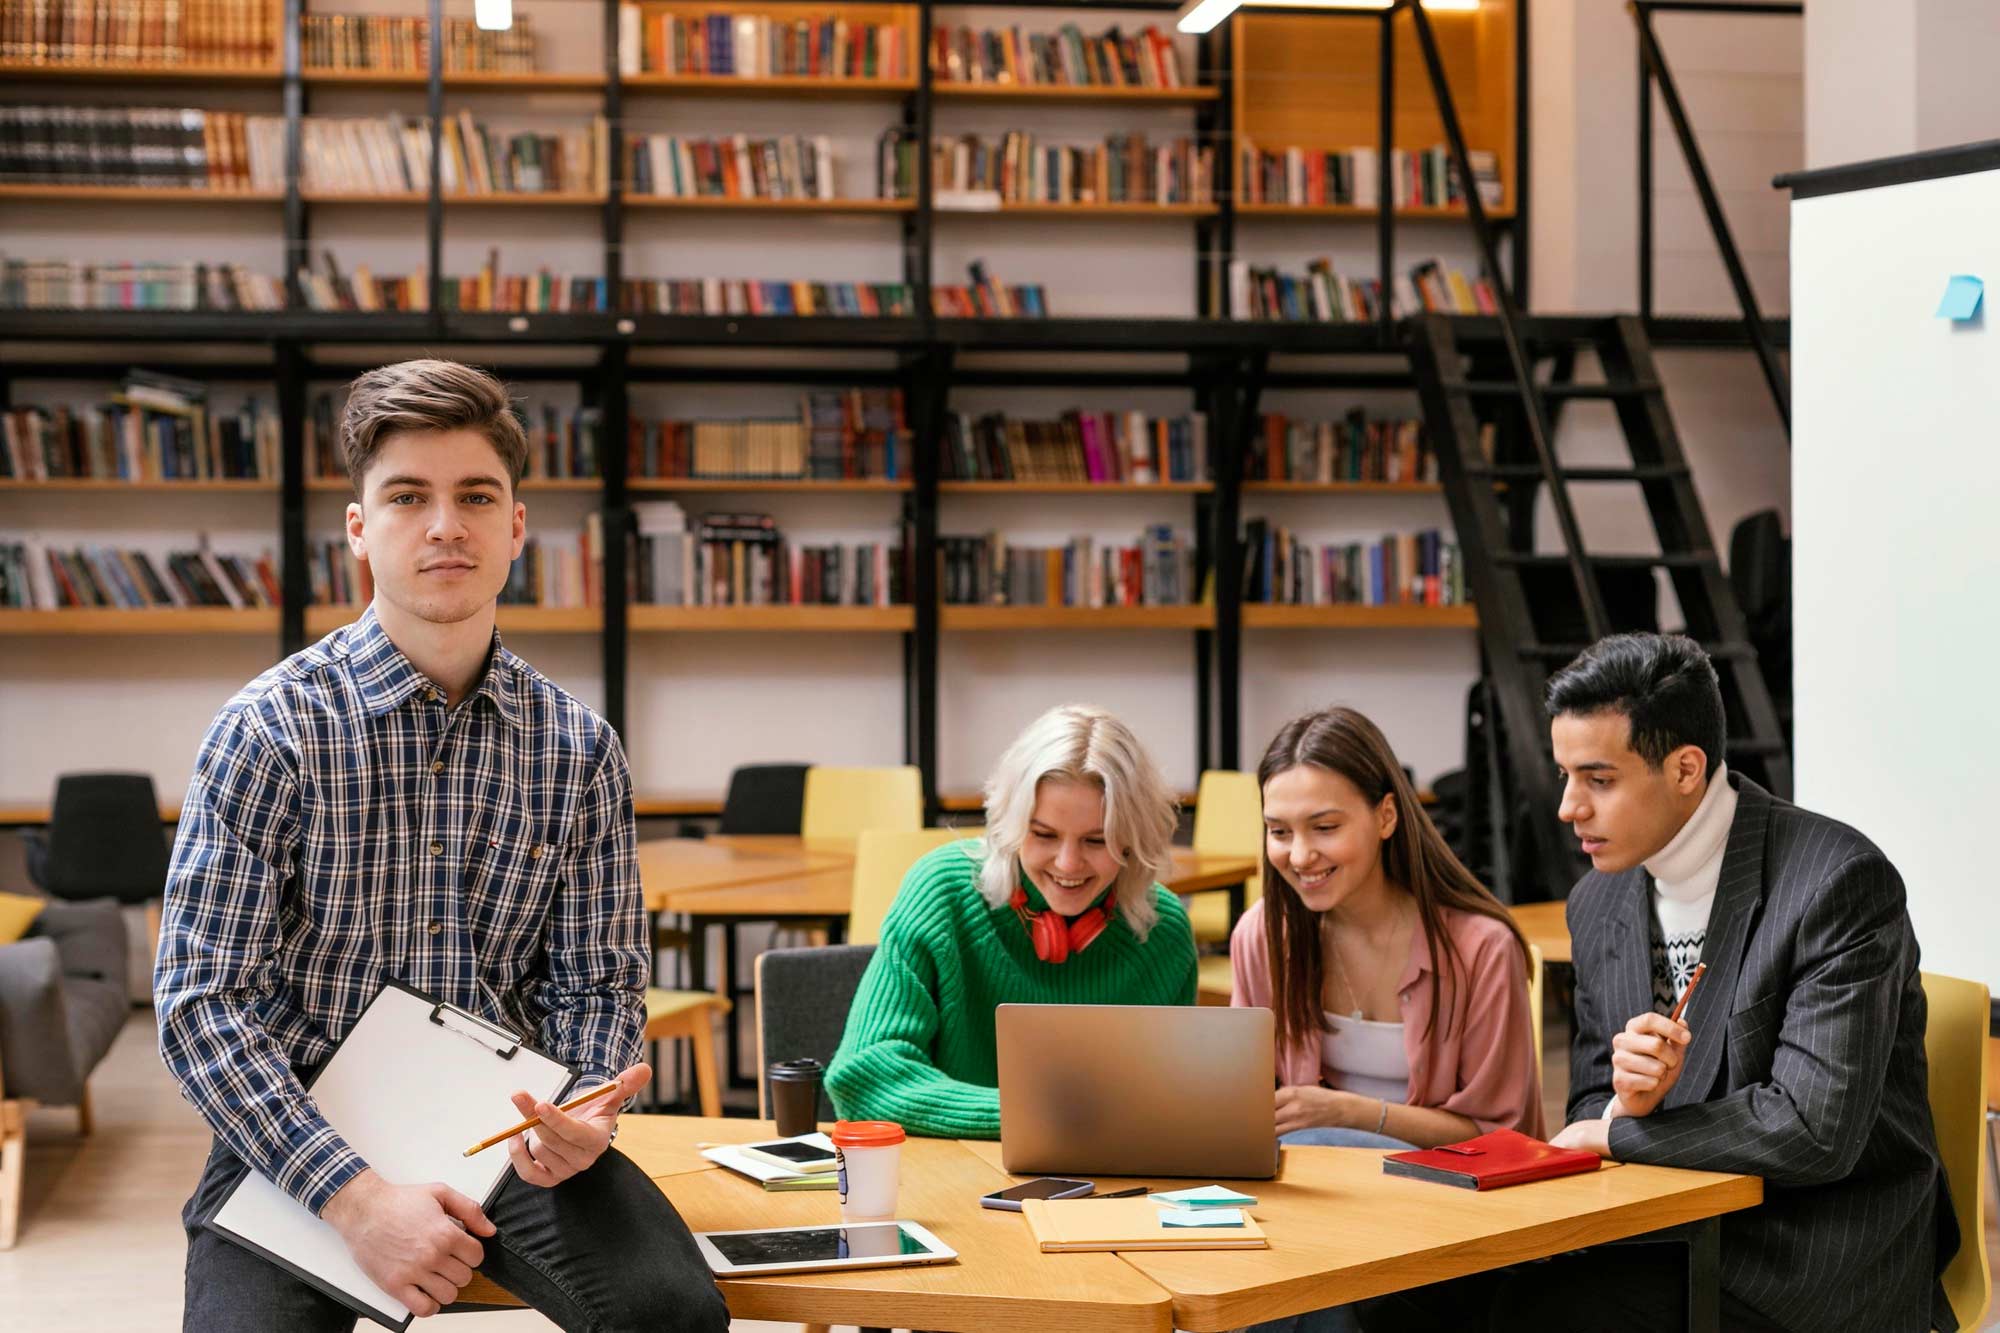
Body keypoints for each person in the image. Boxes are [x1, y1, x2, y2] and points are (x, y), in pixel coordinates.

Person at [154, 359, 729, 1332]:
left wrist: (583, 1107)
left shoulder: (577, 747)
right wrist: (354, 1197)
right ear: (359, 528)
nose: (443, 525)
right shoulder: (268, 729)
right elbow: (201, 1005)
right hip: (296, 1117)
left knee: (674, 1312)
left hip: (504, 1120)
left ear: (515, 525)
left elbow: (595, 981)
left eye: (475, 496)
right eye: (407, 496)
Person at [1365, 632, 1958, 1332]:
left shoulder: (1837, 880)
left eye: (1598, 779)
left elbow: (1812, 1129)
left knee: (1544, 1313)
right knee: (1404, 1290)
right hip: (1659, 1223)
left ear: (1684, 768)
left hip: (1811, 1255)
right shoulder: (1599, 900)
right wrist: (1631, 1102)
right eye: (1565, 776)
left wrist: (1622, 1134)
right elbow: (1593, 1102)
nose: (1567, 807)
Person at [826, 702, 1198, 1137]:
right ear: (1009, 825)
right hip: (952, 1176)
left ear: (1134, 840)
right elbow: (861, 1078)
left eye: (1097, 841)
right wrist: (1036, 1116)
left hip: (1109, 1185)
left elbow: (1172, 1103)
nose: (1068, 863)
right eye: (1043, 835)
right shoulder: (941, 892)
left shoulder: (1163, 929)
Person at [1231, 706, 1542, 1156]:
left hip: (1454, 1198)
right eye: (1279, 831)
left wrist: (1347, 1113)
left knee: (1312, 1138)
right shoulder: (1262, 935)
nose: (1299, 856)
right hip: (1321, 1191)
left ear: (1386, 817)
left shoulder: (1482, 947)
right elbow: (1245, 1103)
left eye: (1325, 828)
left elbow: (1500, 1134)